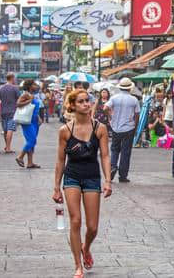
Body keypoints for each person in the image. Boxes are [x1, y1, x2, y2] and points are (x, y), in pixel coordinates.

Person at [53, 89, 112, 278]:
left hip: (92, 177)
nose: (86, 104)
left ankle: (86, 247)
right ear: (72, 105)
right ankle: (77, 265)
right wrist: (56, 187)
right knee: (76, 221)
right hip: (72, 177)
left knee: (93, 227)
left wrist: (108, 181)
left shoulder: (100, 128)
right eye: (81, 101)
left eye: (88, 101)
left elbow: (104, 155)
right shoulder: (65, 131)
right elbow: (60, 160)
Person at [104, 78, 140, 183]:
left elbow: (105, 108)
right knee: (126, 152)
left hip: (116, 128)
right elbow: (137, 115)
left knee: (115, 149)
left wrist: (110, 117)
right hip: (129, 128)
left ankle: (113, 166)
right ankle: (123, 176)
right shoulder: (134, 100)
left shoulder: (114, 98)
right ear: (130, 88)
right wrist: (136, 127)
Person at [15, 80, 42, 169]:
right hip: (27, 121)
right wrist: (29, 100)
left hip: (34, 121)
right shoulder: (26, 94)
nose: (36, 86)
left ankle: (30, 163)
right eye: (34, 84)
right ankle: (20, 157)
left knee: (31, 142)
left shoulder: (32, 94)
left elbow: (33, 108)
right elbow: (18, 104)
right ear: (30, 86)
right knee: (32, 140)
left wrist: (38, 117)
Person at [0, 73, 21, 154]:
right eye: (14, 78)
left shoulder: (1, 88)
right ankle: (8, 148)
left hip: (3, 111)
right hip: (12, 111)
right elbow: (19, 100)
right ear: (12, 78)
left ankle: (6, 146)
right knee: (10, 129)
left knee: (5, 130)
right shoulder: (15, 88)